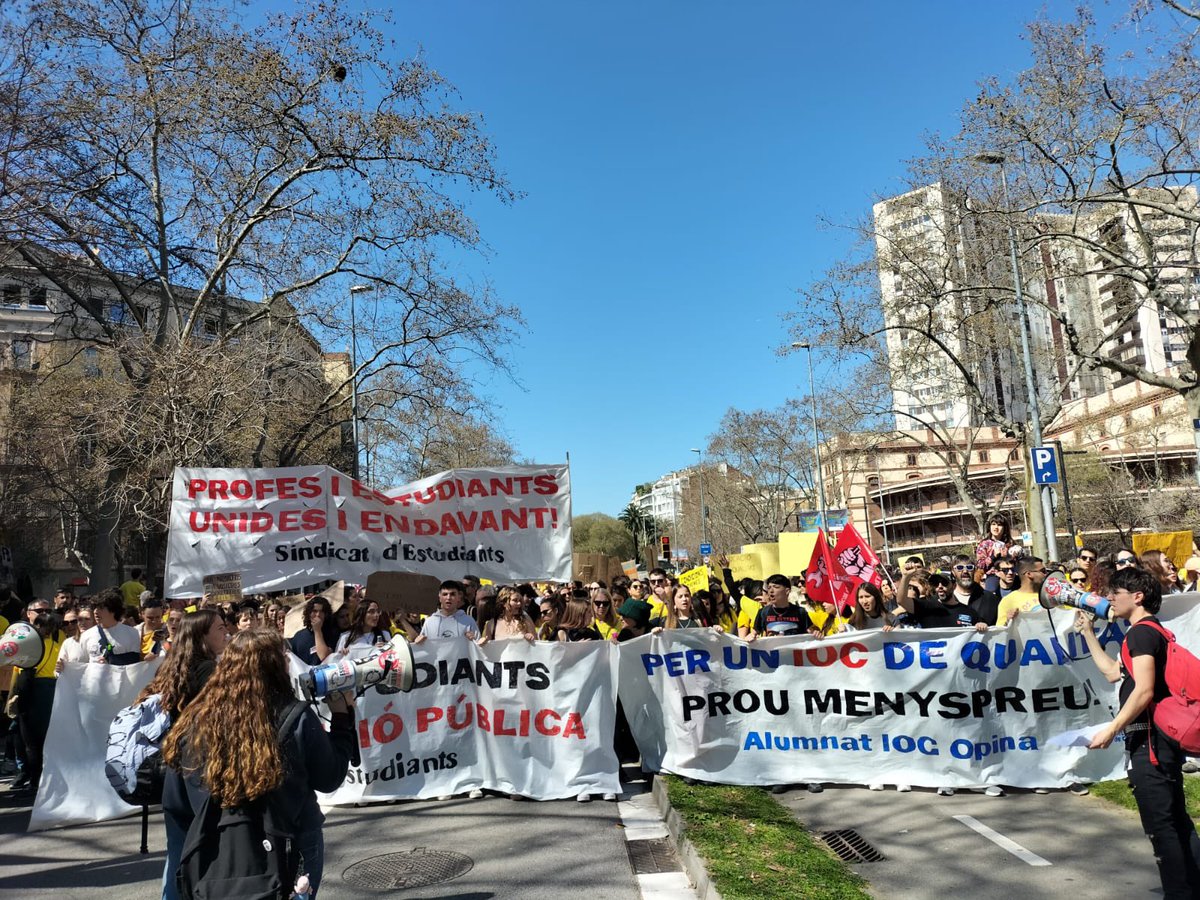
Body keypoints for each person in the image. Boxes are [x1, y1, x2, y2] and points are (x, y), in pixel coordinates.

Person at [162, 629, 357, 900]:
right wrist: (342, 719)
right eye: (284, 656)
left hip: (216, 848)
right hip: (291, 842)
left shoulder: (196, 721)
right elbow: (329, 776)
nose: (289, 662)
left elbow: (176, 800)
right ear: (274, 665)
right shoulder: (295, 716)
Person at [1076, 566, 1200, 899]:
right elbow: (1114, 674)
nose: (1109, 599)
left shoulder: (1140, 634)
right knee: (1174, 818)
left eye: (1115, 593)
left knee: (1162, 827)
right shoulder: (1147, 632)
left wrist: (1111, 729)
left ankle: (1180, 892)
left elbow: (1143, 691)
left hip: (1150, 742)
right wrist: (1088, 633)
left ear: (1138, 596)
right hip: (1154, 740)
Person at [140, 609, 224, 900]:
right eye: (220, 628)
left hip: (174, 764)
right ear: (203, 635)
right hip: (199, 766)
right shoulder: (208, 671)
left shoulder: (171, 666)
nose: (225, 633)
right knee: (207, 847)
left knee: (176, 849)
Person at [12, 610, 63, 795]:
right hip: (50, 693)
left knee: (31, 742)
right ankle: (44, 779)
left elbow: (18, 669)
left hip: (30, 693)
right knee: (46, 740)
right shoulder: (59, 645)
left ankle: (35, 780)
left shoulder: (28, 646)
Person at [79, 588, 145, 663]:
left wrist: (112, 661)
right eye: (95, 608)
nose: (95, 612)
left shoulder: (132, 633)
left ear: (113, 610)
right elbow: (82, 665)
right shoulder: (86, 635)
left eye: (101, 608)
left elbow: (134, 664)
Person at [749, 575, 812, 640]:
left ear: (787, 591)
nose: (771, 591)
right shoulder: (763, 612)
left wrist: (817, 633)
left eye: (776, 587)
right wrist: (750, 637)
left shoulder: (800, 612)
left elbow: (812, 632)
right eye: (769, 587)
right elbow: (753, 634)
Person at [996, 557, 1048, 625]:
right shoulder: (1008, 601)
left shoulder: (1050, 595)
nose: (1046, 574)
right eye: (1043, 571)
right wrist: (1008, 621)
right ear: (1029, 574)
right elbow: (1000, 632)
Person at [289, 597, 337, 665]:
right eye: (315, 611)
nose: (318, 615)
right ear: (309, 614)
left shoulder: (332, 633)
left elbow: (324, 657)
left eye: (322, 611)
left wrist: (317, 630)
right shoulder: (298, 636)